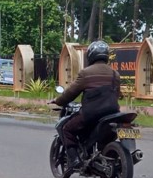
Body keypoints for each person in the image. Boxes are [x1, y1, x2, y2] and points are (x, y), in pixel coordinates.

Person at [50, 40, 121, 170]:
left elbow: (70, 93)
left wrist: (58, 101)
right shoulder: (114, 74)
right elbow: (117, 94)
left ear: (91, 55)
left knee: (66, 129)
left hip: (92, 113)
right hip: (113, 113)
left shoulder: (86, 73)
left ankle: (75, 160)